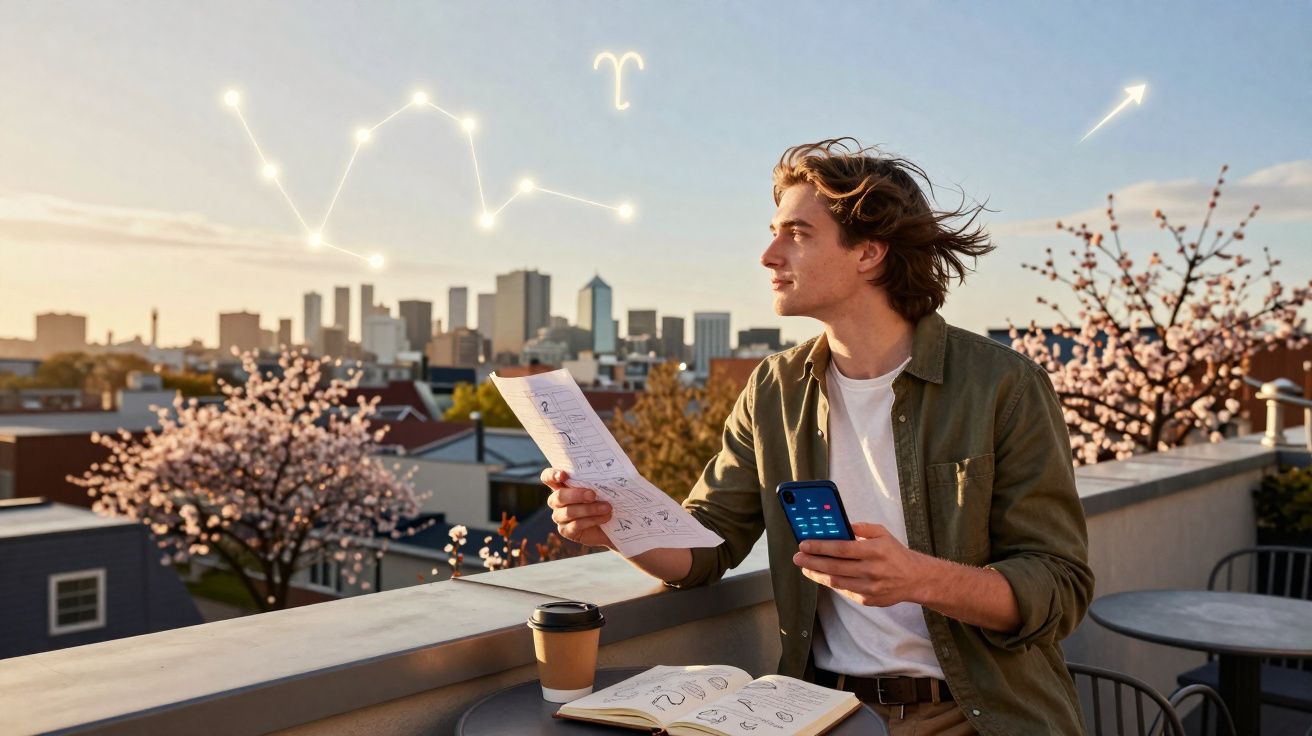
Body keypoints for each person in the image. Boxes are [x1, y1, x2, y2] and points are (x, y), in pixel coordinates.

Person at [542, 138, 1092, 735]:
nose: (768, 254)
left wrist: (917, 577)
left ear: (869, 254)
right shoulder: (774, 388)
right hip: (821, 714)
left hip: (974, 715)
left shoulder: (1002, 386)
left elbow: (1059, 589)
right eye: (774, 231)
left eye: (797, 233)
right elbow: (706, 547)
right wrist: (616, 524)